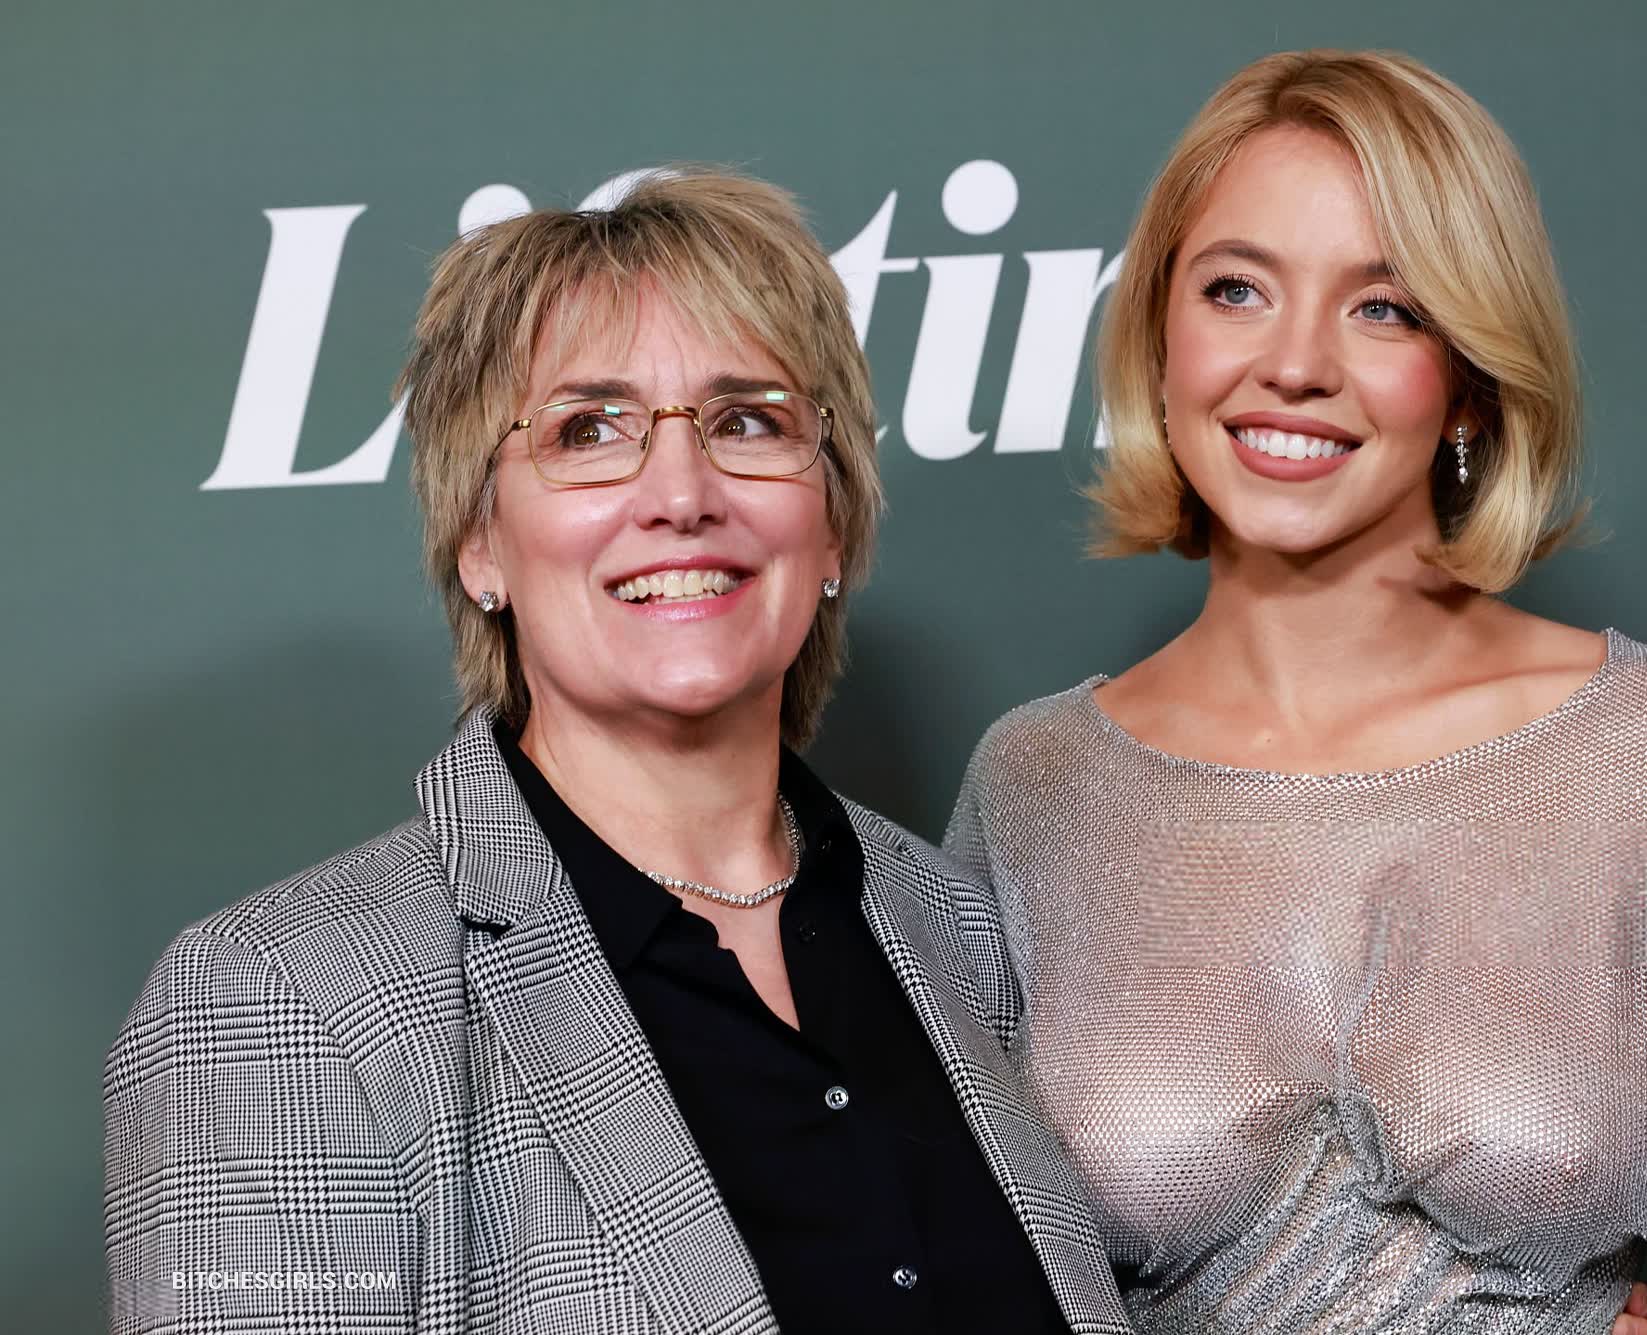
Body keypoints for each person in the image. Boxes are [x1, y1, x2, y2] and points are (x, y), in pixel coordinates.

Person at [102, 168, 1128, 1335]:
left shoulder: (968, 936)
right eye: (588, 430)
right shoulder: (279, 1007)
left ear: (832, 522)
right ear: (480, 543)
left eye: (747, 421)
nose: (681, 493)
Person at [947, 50, 1647, 1333]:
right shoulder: (1037, 784)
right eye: (1234, 289)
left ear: (1469, 383)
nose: (1293, 364)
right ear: (1159, 339)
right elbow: (971, 1275)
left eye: (1382, 308)